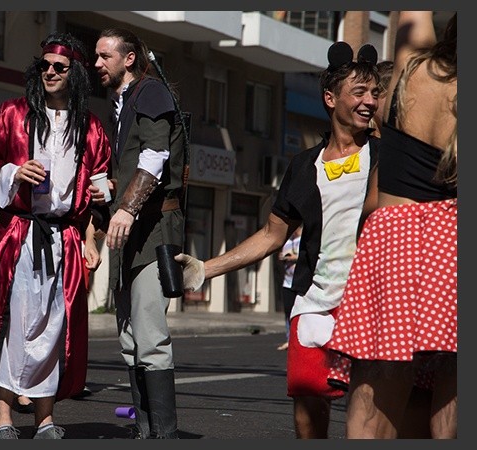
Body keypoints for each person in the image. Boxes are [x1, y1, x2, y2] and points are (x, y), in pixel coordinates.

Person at [176, 41, 381, 439]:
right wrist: (205, 269)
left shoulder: (385, 156)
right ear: (330, 97)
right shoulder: (304, 165)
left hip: (370, 304)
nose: (369, 101)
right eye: (359, 92)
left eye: (374, 93)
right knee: (308, 410)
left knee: (369, 414)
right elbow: (272, 234)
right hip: (314, 304)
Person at [0, 31, 110, 439]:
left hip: (65, 240)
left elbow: (105, 181)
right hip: (20, 236)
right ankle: (3, 415)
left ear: (74, 76)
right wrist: (11, 173)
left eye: (59, 67)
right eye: (45, 66)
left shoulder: (90, 127)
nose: (50, 72)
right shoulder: (12, 114)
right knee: (15, 324)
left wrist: (94, 228)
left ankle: (45, 418)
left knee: (55, 329)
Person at [328, 11, 457, 439]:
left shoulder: (415, 71)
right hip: (452, 237)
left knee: (379, 373)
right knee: (453, 376)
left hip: (395, 234)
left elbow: (411, 15)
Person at [93, 28, 187, 439]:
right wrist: (108, 191)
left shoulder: (150, 92)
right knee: (130, 339)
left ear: (128, 59)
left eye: (104, 56)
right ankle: (145, 431)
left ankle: (163, 435)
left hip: (152, 230)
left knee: (149, 336)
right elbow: (134, 166)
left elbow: (155, 156)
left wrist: (127, 207)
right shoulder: (122, 102)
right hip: (129, 232)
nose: (97, 63)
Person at [276, 225, 302, 351]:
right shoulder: (287, 242)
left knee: (298, 313)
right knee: (288, 312)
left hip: (299, 282)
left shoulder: (303, 240)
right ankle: (289, 339)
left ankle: (298, 339)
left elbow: (307, 257)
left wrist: (293, 257)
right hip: (287, 282)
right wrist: (282, 257)